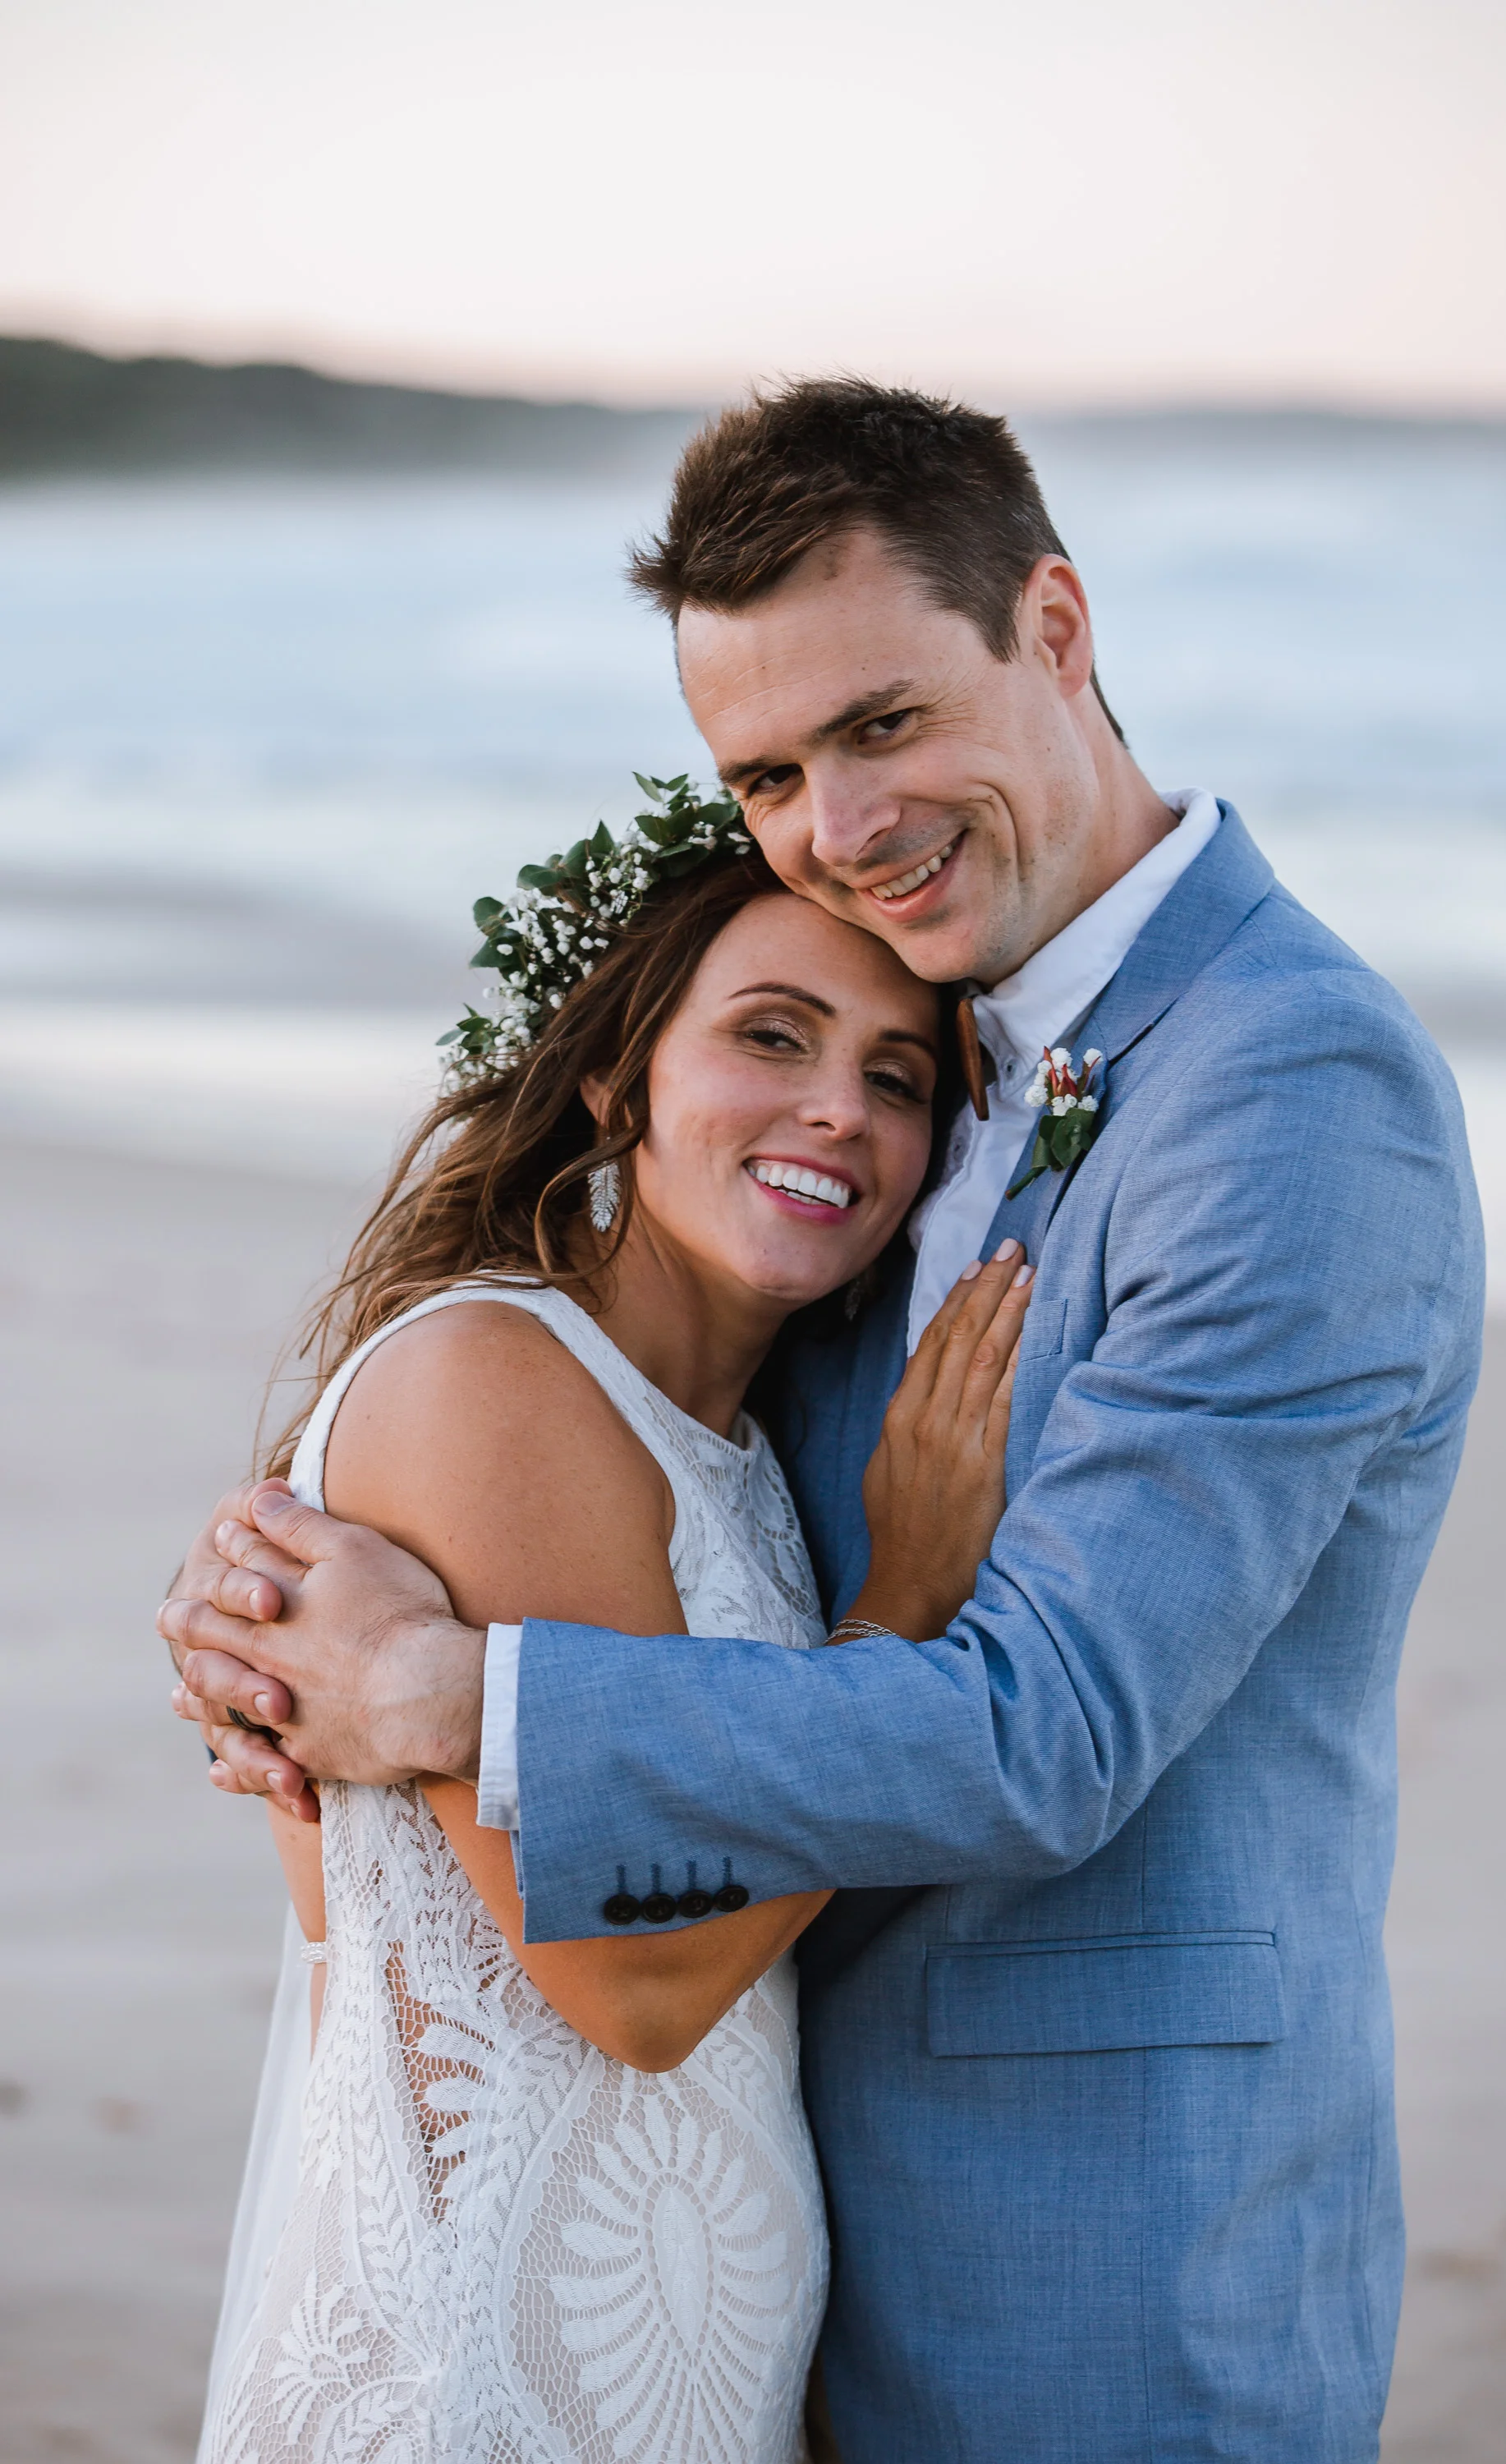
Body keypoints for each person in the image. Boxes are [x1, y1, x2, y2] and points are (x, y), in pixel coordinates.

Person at [166, 380, 1486, 2463]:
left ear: (1054, 625)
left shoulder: (1290, 1089)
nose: (841, 829)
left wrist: (446, 1691)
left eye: (883, 725)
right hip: (756, 2244)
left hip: (1104, 2252)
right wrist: (277, 1597)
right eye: (768, 774)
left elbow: (1048, 1729)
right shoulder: (923, 1048)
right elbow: (655, 1472)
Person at [183, 815, 1033, 2463]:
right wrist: (903, 1613)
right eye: (771, 1036)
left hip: (660, 2369)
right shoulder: (498, 1380)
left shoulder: (736, 1450)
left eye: (898, 1078)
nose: (838, 1110)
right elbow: (638, 1984)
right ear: (613, 1079)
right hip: (484, 2378)